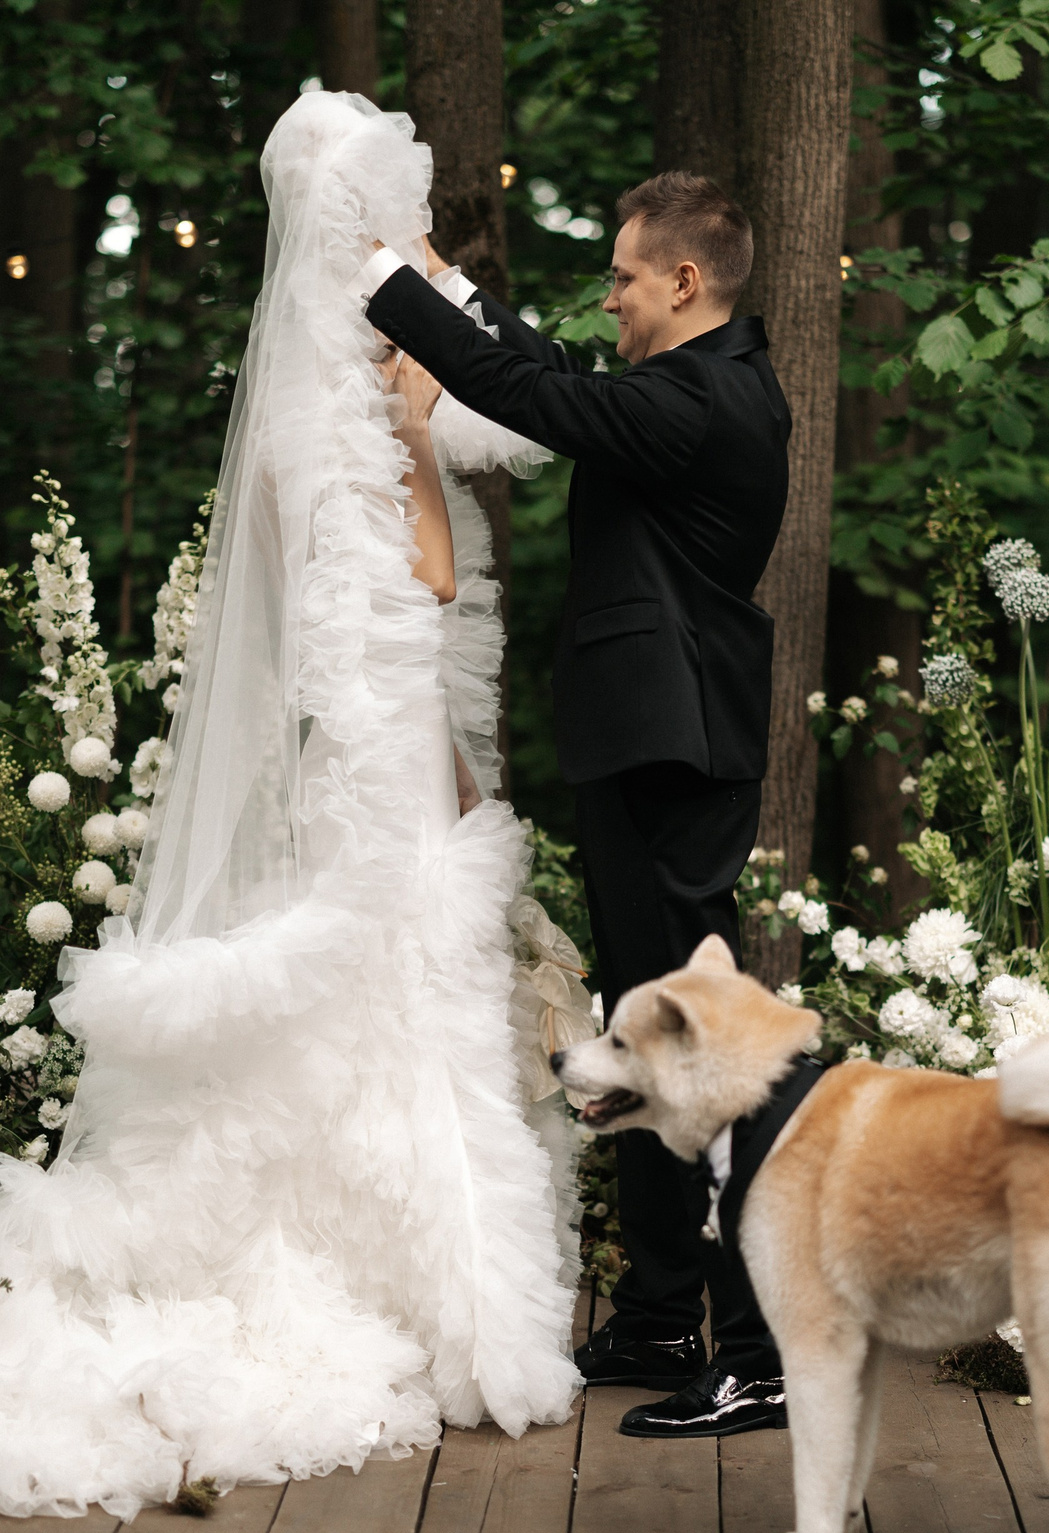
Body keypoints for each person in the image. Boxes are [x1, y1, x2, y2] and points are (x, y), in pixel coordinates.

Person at [0, 90, 582, 1517]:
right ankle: (441, 1302)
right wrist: (412, 421)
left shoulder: (311, 387)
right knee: (398, 998)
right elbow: (437, 581)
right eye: (390, 223)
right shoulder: (340, 411)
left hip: (388, 748)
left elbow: (518, 428)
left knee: (401, 1004)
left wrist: (438, 359)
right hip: (373, 769)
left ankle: (432, 1281)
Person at [357, 172, 793, 1439]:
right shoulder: (684, 387)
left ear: (684, 282)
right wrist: (438, 281)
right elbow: (550, 366)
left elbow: (537, 396)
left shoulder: (705, 400)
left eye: (618, 276)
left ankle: (755, 1351)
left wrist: (379, 285)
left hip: (675, 744)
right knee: (637, 1029)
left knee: (687, 1046)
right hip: (646, 737)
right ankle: (662, 1315)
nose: (604, 298)